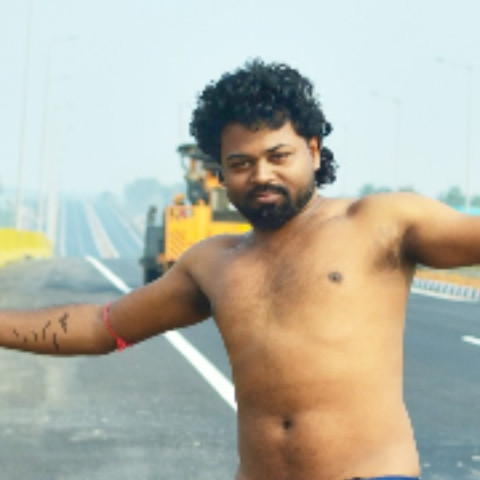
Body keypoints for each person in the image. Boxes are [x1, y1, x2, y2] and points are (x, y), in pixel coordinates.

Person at [1, 59, 479, 480]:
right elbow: (100, 327)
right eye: (241, 163)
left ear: (314, 150)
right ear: (221, 172)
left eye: (279, 156)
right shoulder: (212, 263)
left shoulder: (379, 222)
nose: (262, 175)